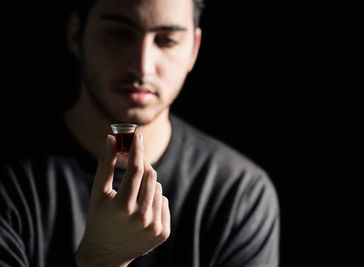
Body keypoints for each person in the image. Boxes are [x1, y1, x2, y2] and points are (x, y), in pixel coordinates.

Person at [0, 0, 280, 266]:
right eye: (118, 33)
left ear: (193, 49)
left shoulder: (239, 193)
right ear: (76, 34)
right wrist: (101, 259)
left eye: (167, 39)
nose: (142, 67)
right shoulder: (10, 182)